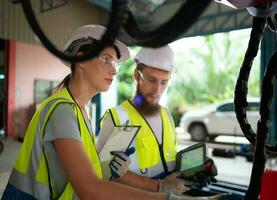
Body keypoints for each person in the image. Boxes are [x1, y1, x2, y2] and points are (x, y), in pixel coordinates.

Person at [1, 24, 174, 200]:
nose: (114, 70)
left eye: (115, 64)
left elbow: (84, 174)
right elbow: (90, 190)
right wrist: (166, 198)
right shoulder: (62, 111)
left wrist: (109, 169)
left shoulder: (81, 112)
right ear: (81, 59)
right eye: (107, 60)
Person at [96, 45, 190, 194]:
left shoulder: (166, 115)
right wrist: (159, 186)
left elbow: (169, 158)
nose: (157, 90)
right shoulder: (120, 118)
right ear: (136, 74)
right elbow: (103, 174)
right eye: (151, 80)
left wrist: (197, 168)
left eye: (164, 82)